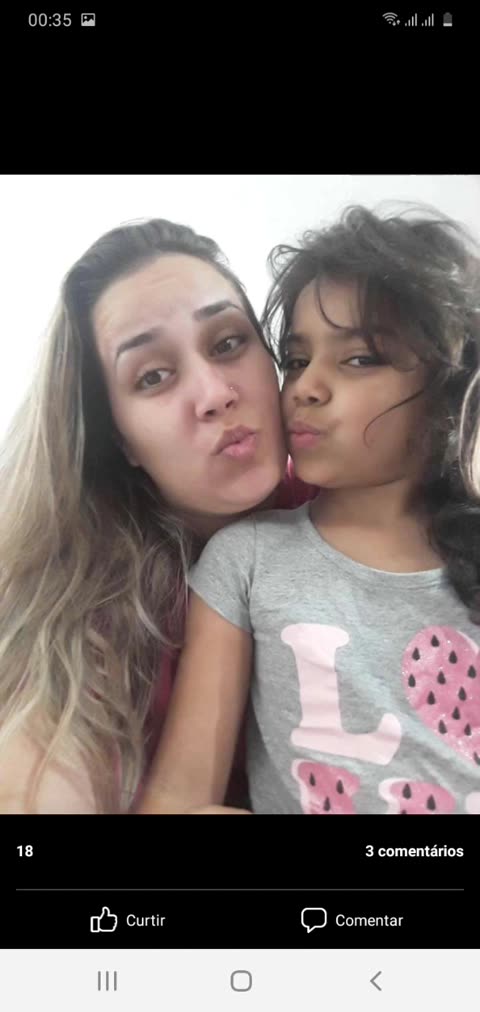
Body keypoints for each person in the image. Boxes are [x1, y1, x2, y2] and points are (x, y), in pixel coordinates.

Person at [143, 204, 480, 815]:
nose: (305, 387)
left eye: (359, 359)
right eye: (297, 360)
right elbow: (176, 801)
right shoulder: (247, 561)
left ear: (451, 389)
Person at [0, 218, 315, 815]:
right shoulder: (85, 606)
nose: (215, 394)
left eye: (228, 343)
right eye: (153, 376)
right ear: (120, 439)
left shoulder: (352, 503)